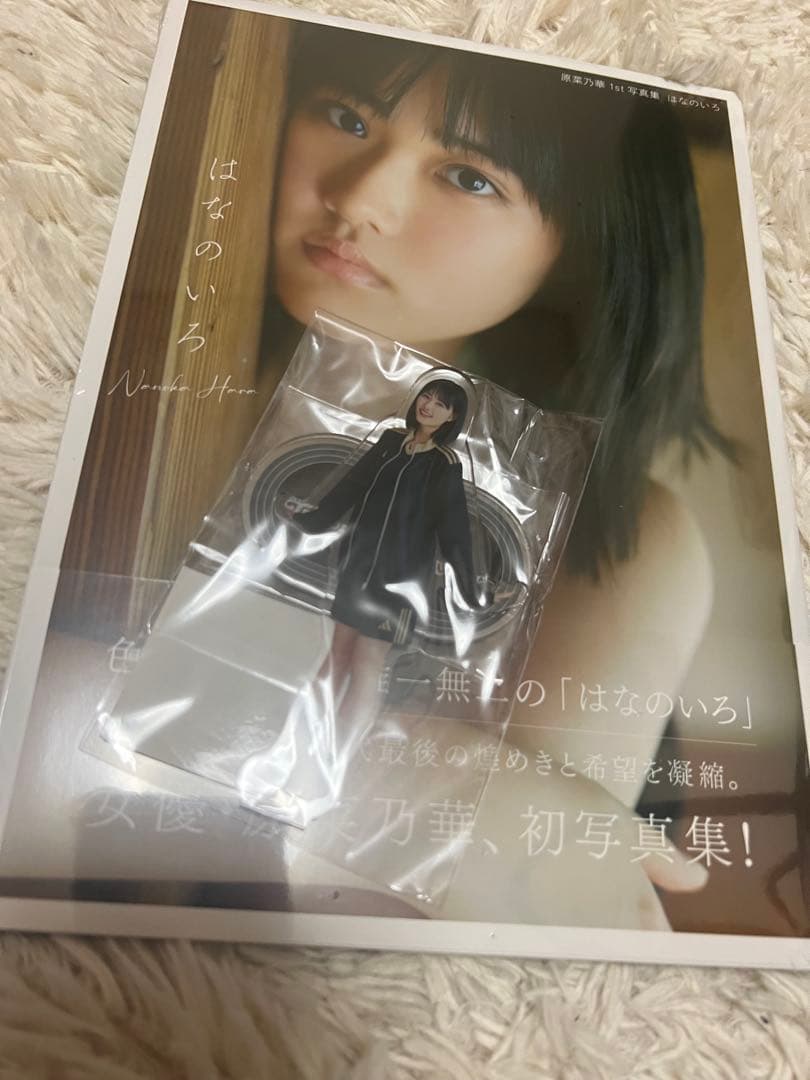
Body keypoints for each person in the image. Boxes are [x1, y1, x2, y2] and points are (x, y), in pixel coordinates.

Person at [261, 23, 731, 917]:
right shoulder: (134, 383)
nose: (359, 199)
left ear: (579, 253)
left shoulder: (621, 536)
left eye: (470, 177)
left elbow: (476, 892)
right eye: (347, 117)